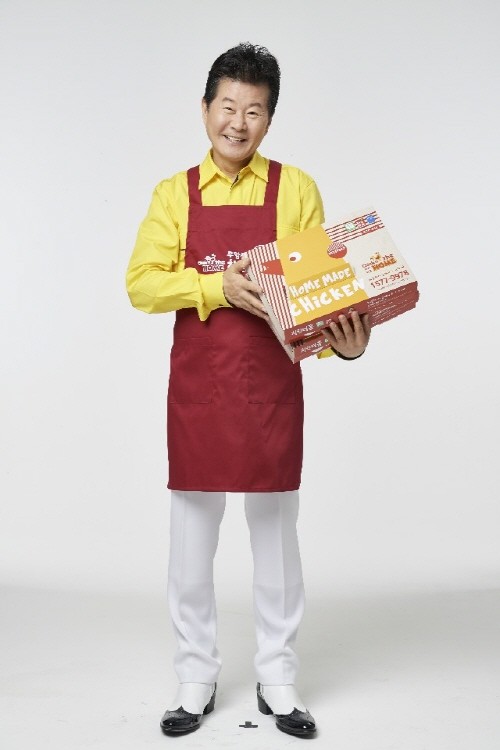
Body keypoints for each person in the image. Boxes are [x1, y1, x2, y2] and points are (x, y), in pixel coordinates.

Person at [126, 42, 371, 739]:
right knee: (190, 547)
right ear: (205, 109)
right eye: (227, 107)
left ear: (270, 118)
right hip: (200, 391)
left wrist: (346, 344)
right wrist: (216, 287)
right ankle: (195, 678)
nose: (238, 122)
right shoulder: (173, 194)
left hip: (270, 389)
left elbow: (318, 298)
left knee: (277, 547)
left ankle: (279, 679)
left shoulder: (297, 190)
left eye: (254, 111)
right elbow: (141, 284)